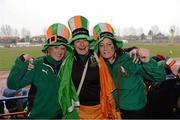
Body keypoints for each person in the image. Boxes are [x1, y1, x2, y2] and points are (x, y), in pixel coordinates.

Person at [93, 22, 166, 119]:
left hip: (134, 111)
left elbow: (160, 77)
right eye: (101, 45)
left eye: (109, 44)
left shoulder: (131, 59)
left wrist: (148, 61)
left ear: (114, 46)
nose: (105, 48)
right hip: (114, 111)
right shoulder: (101, 65)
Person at [7, 23, 73, 119]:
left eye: (63, 48)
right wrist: (21, 62)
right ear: (48, 49)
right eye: (56, 47)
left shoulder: (65, 67)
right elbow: (12, 84)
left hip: (59, 117)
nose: (60, 51)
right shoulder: (37, 65)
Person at [65, 15, 118, 119]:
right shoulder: (67, 62)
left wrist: (133, 50)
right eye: (77, 41)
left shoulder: (99, 57)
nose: (81, 44)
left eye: (84, 40)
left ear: (89, 42)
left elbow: (114, 52)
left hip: (100, 111)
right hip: (78, 113)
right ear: (73, 44)